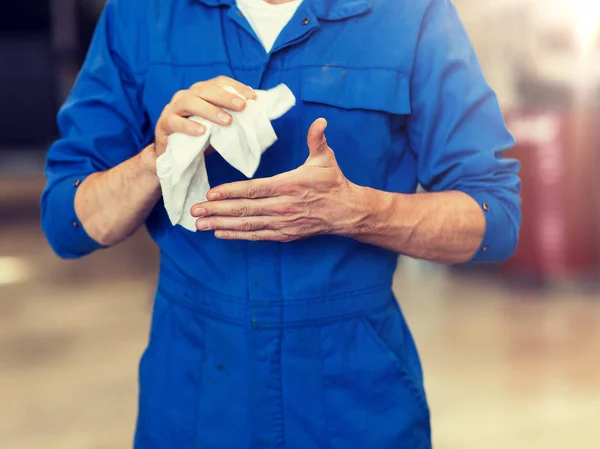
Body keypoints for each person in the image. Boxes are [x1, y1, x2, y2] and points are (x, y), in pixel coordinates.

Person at [41, 0, 521, 447]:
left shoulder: (410, 14)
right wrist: (159, 159)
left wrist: (357, 211)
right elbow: (70, 221)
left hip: (356, 395)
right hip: (193, 396)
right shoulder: (142, 15)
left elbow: (493, 218)